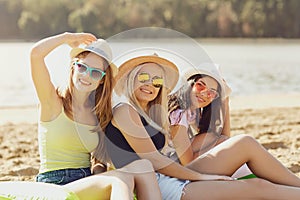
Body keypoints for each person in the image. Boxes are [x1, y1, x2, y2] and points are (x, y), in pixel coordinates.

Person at [104, 53, 300, 200]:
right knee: (258, 187)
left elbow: (222, 139)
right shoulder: (124, 111)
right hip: (161, 185)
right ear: (131, 78)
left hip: (171, 176)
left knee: (246, 146)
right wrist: (202, 177)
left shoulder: (154, 113)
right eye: (144, 78)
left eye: (157, 81)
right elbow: (155, 160)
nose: (150, 85)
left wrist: (225, 103)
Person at [167, 65, 253, 178]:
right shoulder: (178, 114)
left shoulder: (192, 112)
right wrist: (216, 150)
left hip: (179, 158)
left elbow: (225, 138)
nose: (204, 94)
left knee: (219, 141)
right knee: (217, 141)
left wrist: (225, 104)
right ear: (190, 84)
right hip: (169, 163)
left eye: (211, 93)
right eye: (200, 86)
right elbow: (187, 163)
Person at [0, 159, 162, 200]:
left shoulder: (97, 114)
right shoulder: (53, 102)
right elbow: (39, 75)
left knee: (143, 166)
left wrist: (98, 172)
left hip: (83, 181)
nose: (88, 75)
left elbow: (98, 163)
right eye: (83, 70)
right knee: (120, 179)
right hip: (55, 182)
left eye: (96, 74)